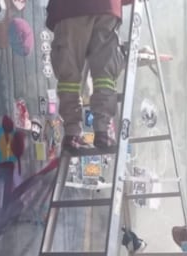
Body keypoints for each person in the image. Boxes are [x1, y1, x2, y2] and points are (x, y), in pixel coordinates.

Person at [46, 0, 133, 152]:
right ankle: (103, 131)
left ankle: (73, 133)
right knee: (104, 73)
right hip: (106, 7)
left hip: (69, 9)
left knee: (69, 72)